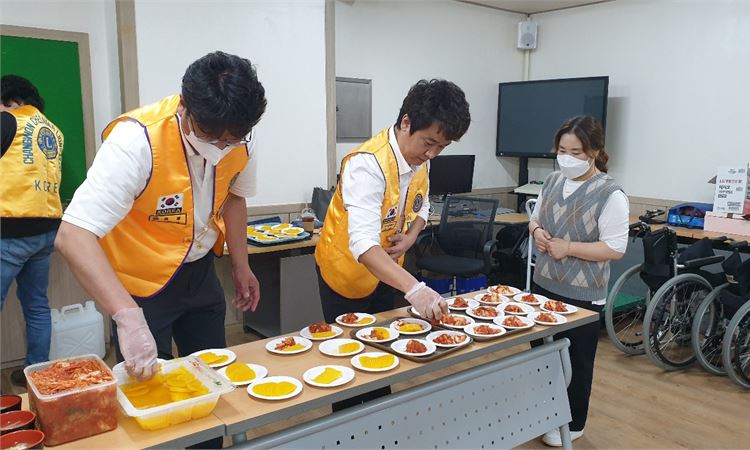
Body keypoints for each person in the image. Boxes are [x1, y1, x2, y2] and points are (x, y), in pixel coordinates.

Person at [55, 52, 267, 383]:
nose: (221, 148)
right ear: (184, 106)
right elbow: (73, 235)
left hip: (200, 273)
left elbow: (234, 198)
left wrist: (241, 265)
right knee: (150, 384)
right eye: (210, 137)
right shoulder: (136, 141)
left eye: (230, 141)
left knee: (213, 375)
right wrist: (127, 317)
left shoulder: (241, 137)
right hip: (140, 284)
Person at [315, 79, 470, 409]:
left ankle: (380, 422)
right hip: (345, 272)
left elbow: (422, 206)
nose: (432, 154)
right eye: (429, 143)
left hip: (387, 272)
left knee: (384, 351)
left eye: (441, 147)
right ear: (406, 122)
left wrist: (411, 236)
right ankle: (347, 428)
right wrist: (416, 289)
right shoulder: (366, 164)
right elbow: (363, 245)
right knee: (350, 363)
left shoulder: (420, 159)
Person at [528, 115, 629, 447]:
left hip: (583, 294)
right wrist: (538, 233)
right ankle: (545, 413)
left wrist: (569, 248)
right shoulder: (552, 181)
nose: (567, 158)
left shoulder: (610, 193)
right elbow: (534, 220)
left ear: (594, 151)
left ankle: (573, 423)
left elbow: (615, 248)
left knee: (577, 361)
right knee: (543, 357)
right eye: (562, 150)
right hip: (544, 285)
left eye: (576, 152)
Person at [0, 75, 64, 386]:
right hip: (46, 230)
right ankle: (36, 375)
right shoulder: (53, 130)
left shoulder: (7, 121)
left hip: (9, 230)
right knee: (37, 305)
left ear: (9, 99)